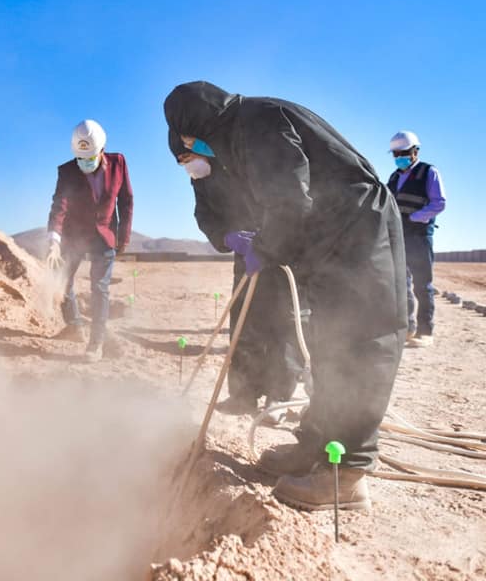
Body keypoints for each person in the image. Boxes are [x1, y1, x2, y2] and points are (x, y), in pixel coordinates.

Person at [164, 81, 407, 512]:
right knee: (325, 340)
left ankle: (346, 474)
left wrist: (267, 247)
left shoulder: (258, 122)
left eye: (187, 139)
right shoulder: (230, 139)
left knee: (360, 341)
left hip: (357, 231)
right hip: (324, 242)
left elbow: (288, 200)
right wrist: (241, 239)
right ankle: (314, 445)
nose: (189, 147)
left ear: (198, 123)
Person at [169, 132, 303, 419]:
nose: (187, 166)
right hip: (246, 253)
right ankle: (243, 395)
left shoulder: (240, 163)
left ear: (205, 149)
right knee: (243, 321)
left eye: (189, 157)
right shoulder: (201, 180)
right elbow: (204, 215)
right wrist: (227, 238)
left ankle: (278, 399)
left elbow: (278, 199)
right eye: (182, 162)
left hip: (278, 249)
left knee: (282, 322)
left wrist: (267, 238)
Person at [46, 119, 133, 362]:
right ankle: (74, 325)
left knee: (99, 288)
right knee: (62, 278)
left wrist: (122, 237)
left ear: (101, 150)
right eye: (80, 159)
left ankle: (96, 343)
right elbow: (59, 206)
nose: (85, 163)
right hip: (74, 235)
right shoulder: (67, 171)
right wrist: (54, 240)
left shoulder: (119, 163)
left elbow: (126, 201)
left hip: (105, 236)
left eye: (90, 158)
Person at [387, 130, 445, 348]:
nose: (398, 157)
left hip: (419, 236)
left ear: (415, 151)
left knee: (423, 285)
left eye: (403, 152)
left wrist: (414, 218)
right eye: (395, 153)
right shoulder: (394, 177)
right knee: (401, 284)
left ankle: (425, 331)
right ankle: (408, 328)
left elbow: (439, 203)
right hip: (399, 236)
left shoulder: (428, 172)